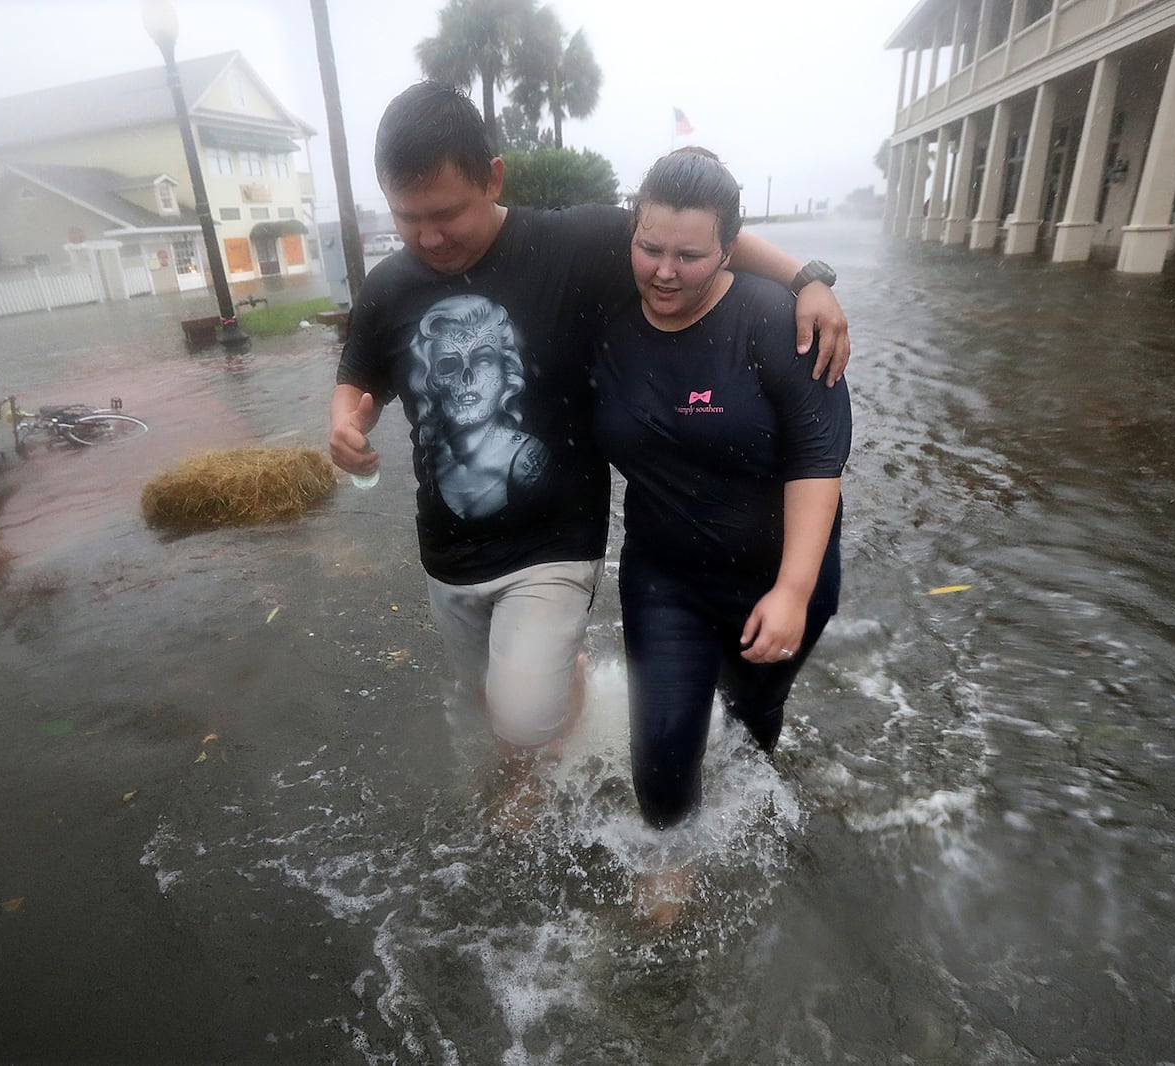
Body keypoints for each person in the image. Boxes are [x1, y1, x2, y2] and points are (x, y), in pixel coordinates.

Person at [329, 82, 849, 769]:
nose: (428, 237)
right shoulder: (391, 284)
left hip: (555, 537)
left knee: (524, 714)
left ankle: (555, 704)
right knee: (478, 696)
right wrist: (345, 422)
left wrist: (807, 278)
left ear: (493, 178)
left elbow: (697, 237)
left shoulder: (575, 242)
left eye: (446, 214)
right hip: (446, 549)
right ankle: (527, 736)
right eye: (406, 217)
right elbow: (360, 372)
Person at [592, 147, 851, 850]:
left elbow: (818, 460)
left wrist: (793, 592)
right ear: (632, 235)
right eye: (649, 249)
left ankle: (751, 819)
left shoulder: (781, 322)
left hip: (783, 575)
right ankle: (669, 883)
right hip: (665, 575)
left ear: (730, 248)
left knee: (751, 723)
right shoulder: (607, 311)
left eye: (690, 255)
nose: (665, 271)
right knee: (665, 748)